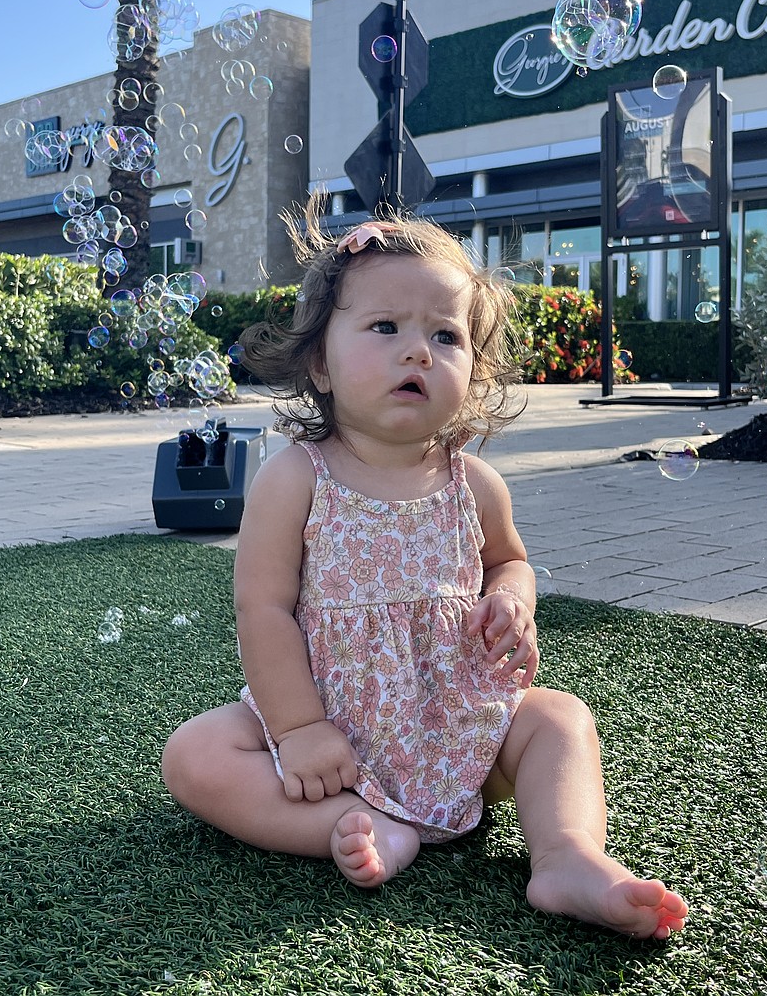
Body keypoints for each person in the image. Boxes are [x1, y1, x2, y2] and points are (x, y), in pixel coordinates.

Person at [161, 200, 688, 940]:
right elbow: (263, 609)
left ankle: (567, 855)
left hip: (459, 723)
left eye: (446, 335)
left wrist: (512, 598)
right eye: (386, 326)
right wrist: (301, 728)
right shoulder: (296, 478)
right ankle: (356, 823)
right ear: (320, 362)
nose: (418, 352)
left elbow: (510, 560)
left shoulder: (475, 484)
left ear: (473, 370)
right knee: (195, 755)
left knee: (561, 718)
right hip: (330, 727)